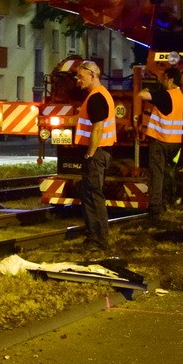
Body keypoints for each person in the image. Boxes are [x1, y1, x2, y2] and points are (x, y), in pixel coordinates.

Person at [74, 60, 117, 250]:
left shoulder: (96, 97)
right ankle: (96, 237)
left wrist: (90, 153)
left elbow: (97, 128)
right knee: (92, 195)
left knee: (92, 197)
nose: (78, 81)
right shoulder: (102, 95)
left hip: (96, 154)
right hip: (102, 153)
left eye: (81, 77)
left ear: (93, 75)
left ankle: (97, 239)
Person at [139, 66, 183, 217]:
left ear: (170, 80)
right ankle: (169, 201)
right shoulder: (180, 96)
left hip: (160, 141)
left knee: (156, 174)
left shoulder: (165, 95)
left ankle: (155, 206)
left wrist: (147, 88)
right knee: (169, 173)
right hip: (176, 143)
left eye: (163, 78)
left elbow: (142, 95)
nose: (162, 80)